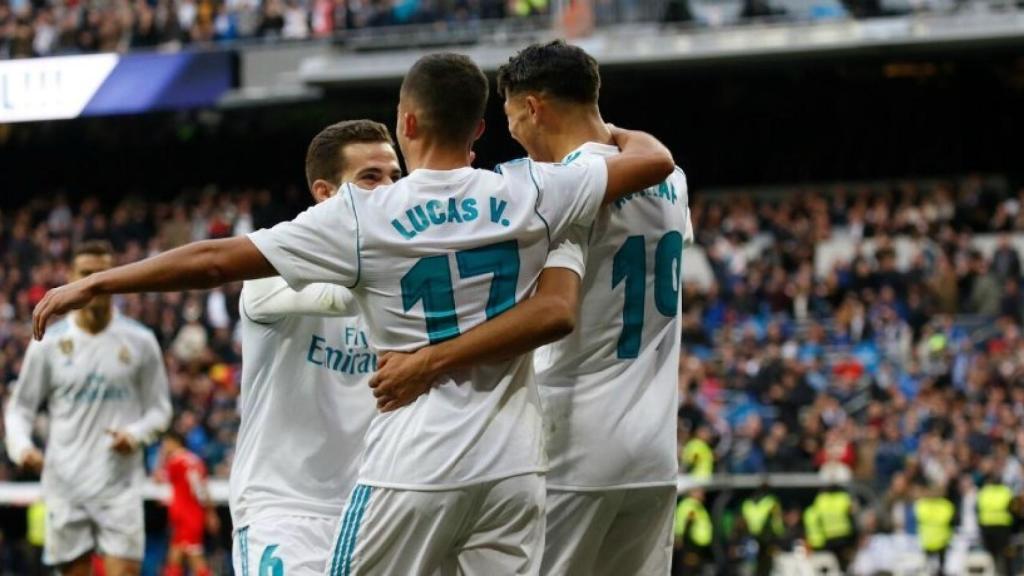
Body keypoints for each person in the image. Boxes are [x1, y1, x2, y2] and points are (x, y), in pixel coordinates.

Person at [31, 52, 676, 575]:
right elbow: (653, 163)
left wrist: (103, 284)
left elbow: (212, 260)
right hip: (516, 470)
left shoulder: (366, 218)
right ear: (480, 129)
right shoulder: (529, 189)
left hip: (415, 463)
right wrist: (612, 132)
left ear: (408, 123)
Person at [368, 39, 692, 576]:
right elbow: (650, 164)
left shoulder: (550, 190)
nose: (511, 131)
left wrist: (427, 360)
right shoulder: (671, 181)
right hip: (653, 455)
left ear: (533, 107)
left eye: (511, 116)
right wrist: (621, 135)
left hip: (574, 449)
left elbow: (549, 313)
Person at [230, 119, 400, 576]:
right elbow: (343, 294)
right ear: (325, 194)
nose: (387, 189)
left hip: (376, 505)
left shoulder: (402, 268)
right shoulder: (269, 270)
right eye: (370, 178)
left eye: (394, 177)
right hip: (284, 507)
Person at [6, 240, 172, 576]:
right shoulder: (48, 344)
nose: (95, 281)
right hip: (66, 484)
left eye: (104, 273)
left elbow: (160, 410)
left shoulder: (140, 341)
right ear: (70, 277)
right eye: (86, 273)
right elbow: (20, 409)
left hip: (119, 485)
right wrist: (22, 449)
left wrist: (136, 435)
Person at [160, 431, 216, 576]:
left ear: (175, 442)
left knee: (194, 558)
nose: (164, 447)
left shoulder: (175, 461)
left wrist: (161, 458)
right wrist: (210, 513)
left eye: (165, 443)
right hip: (190, 515)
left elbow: (158, 478)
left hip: (187, 517)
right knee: (174, 557)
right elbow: (201, 488)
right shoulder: (194, 460)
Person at [741, 482, 784, 576]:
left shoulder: (747, 503)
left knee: (751, 565)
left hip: (751, 537)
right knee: (766, 565)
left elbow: (743, 522)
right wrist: (779, 537)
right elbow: (777, 521)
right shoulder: (772, 501)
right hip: (767, 538)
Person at [811, 485, 857, 572]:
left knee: (831, 565)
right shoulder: (844, 497)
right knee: (844, 564)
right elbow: (852, 513)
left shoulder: (821, 499)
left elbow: (816, 518)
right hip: (844, 536)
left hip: (829, 537)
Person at [978, 474, 1016, 576]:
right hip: (1003, 527)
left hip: (987, 526)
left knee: (992, 554)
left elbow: (978, 508)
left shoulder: (984, 491)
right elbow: (1013, 507)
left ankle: (996, 572)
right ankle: (1007, 572)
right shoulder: (1006, 491)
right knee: (1005, 554)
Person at [914, 485, 955, 576]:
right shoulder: (921, 505)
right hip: (926, 543)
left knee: (942, 571)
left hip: (942, 543)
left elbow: (946, 519)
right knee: (927, 571)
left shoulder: (946, 505)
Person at [673, 489, 714, 575]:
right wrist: (679, 537)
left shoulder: (698, 506)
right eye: (700, 493)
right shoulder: (690, 505)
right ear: (692, 493)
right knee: (688, 569)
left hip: (698, 547)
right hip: (690, 545)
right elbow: (684, 522)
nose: (703, 496)